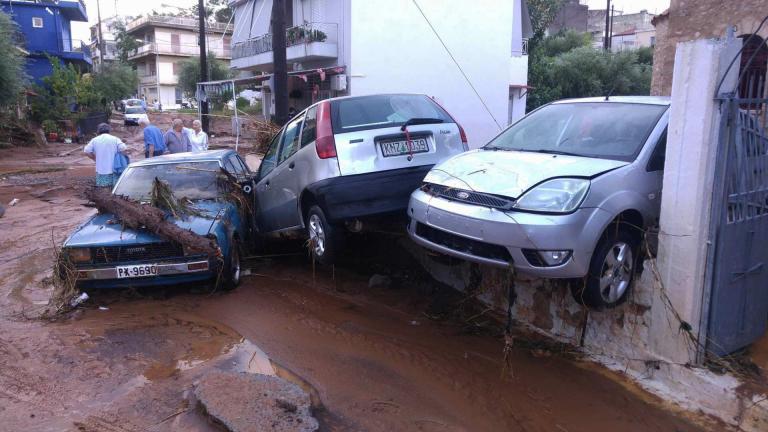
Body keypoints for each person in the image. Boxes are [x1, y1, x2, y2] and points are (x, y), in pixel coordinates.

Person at [84, 123, 127, 188]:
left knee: (103, 189)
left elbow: (86, 151)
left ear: (98, 131)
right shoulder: (115, 139)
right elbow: (123, 148)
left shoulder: (95, 140)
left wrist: (94, 158)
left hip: (101, 169)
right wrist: (118, 155)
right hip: (114, 168)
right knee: (114, 189)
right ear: (109, 130)